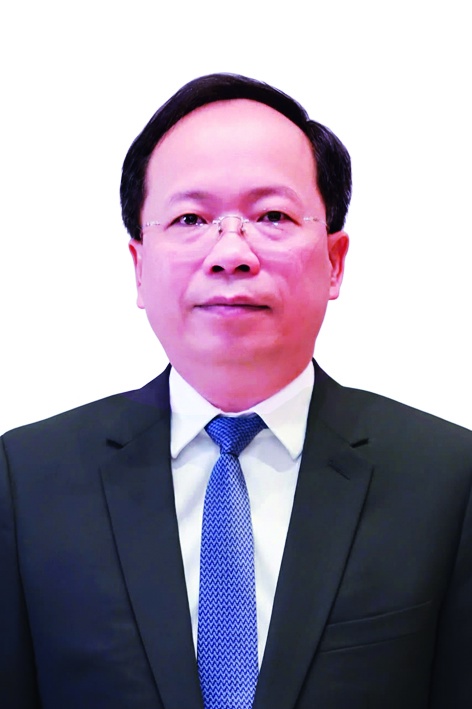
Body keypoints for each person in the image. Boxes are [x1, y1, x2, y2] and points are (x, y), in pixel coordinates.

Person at [1, 73, 471, 709]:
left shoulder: (448, 479)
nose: (230, 253)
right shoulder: (26, 481)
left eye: (271, 216)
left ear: (334, 262)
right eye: (191, 218)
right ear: (139, 267)